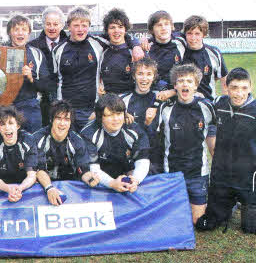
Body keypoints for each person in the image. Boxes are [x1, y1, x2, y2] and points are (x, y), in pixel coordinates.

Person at [51, 6, 143, 130]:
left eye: (84, 25)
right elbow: (53, 81)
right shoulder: (58, 49)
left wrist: (136, 45)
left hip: (91, 110)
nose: (80, 29)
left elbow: (120, 37)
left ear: (89, 26)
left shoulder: (98, 43)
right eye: (76, 25)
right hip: (66, 110)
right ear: (68, 26)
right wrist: (57, 108)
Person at [151, 64, 216, 224]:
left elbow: (217, 129)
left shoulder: (206, 107)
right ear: (175, 86)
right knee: (173, 220)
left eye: (189, 81)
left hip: (197, 172)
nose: (185, 84)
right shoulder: (165, 108)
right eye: (180, 81)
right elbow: (155, 137)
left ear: (196, 85)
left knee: (197, 221)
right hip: (172, 171)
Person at [196, 67, 256, 234]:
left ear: (250, 88)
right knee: (207, 224)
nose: (239, 93)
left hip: (248, 177)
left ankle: (244, 202)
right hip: (221, 174)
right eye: (234, 88)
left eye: (244, 88)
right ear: (227, 88)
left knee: (250, 228)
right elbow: (196, 100)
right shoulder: (219, 103)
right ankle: (228, 204)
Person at [80, 93, 150, 193]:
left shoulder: (134, 130)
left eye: (119, 114)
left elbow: (143, 160)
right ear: (100, 117)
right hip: (102, 182)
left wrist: (136, 179)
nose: (116, 119)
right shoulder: (89, 134)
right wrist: (112, 183)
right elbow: (93, 168)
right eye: (110, 115)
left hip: (127, 175)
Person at [34, 100, 100, 205]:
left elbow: (83, 170)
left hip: (69, 188)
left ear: (70, 122)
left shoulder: (77, 141)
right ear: (51, 120)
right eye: (58, 118)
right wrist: (49, 188)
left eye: (66, 119)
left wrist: (91, 179)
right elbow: (38, 170)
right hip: (44, 187)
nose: (62, 123)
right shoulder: (37, 139)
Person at [4, 15, 51, 133]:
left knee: (32, 143)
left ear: (29, 32)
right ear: (10, 32)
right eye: (16, 29)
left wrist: (31, 78)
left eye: (24, 29)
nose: (20, 33)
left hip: (30, 106)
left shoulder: (37, 54)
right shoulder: (0, 53)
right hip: (6, 106)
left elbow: (46, 86)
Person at [0, 105, 37, 202]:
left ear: (18, 125)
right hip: (2, 187)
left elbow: (32, 175)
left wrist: (20, 189)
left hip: (23, 185)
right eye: (2, 124)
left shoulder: (28, 140)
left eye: (11, 123)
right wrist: (8, 189)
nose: (7, 128)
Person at [28, 6, 68, 126]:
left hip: (65, 97)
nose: (51, 28)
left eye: (55, 24)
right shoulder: (32, 46)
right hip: (42, 101)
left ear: (62, 25)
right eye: (48, 24)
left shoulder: (69, 44)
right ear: (43, 25)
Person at [181, 15, 228, 101]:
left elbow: (223, 80)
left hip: (208, 104)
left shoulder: (214, 53)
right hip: (184, 106)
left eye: (197, 34)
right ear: (185, 34)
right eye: (189, 33)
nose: (193, 38)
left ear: (204, 34)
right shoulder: (180, 52)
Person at [143, 10, 185, 98]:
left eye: (166, 24)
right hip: (156, 95)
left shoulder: (182, 41)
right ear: (152, 29)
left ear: (172, 27)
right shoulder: (146, 47)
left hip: (180, 93)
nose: (163, 28)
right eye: (159, 25)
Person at [99, 8, 135, 95]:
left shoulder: (134, 52)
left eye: (120, 27)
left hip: (129, 102)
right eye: (112, 27)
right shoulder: (102, 52)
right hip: (107, 102)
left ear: (125, 29)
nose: (116, 31)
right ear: (107, 31)